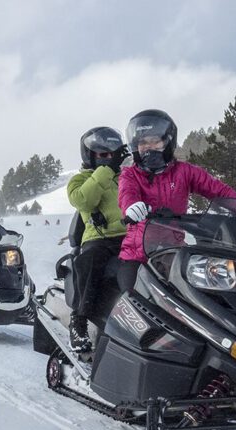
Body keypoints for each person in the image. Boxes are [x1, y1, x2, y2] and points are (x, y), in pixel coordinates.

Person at [118, 109, 236, 291]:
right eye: (143, 142)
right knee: (132, 297)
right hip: (137, 254)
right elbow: (126, 193)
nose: (149, 147)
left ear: (167, 142)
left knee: (199, 293)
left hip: (173, 251)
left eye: (155, 141)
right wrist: (132, 206)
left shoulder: (183, 171)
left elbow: (218, 190)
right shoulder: (130, 174)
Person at [66, 126, 129, 352]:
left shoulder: (126, 178)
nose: (109, 159)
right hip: (99, 239)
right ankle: (79, 321)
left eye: (112, 154)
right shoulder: (79, 181)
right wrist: (107, 170)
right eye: (103, 155)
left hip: (131, 236)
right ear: (89, 155)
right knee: (91, 261)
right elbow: (84, 201)